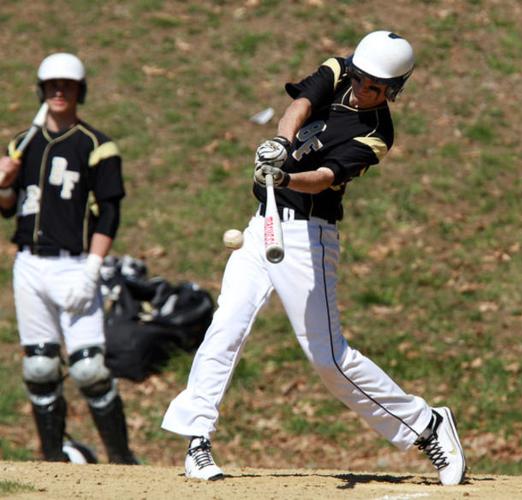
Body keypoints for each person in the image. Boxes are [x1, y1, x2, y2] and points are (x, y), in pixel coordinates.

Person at [161, 31, 466, 485]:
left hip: (307, 237)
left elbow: (324, 178)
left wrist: (285, 174)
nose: (364, 90)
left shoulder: (378, 134)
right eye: (363, 79)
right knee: (226, 326)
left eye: (377, 87)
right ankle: (196, 440)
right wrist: (281, 144)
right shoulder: (339, 70)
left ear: (393, 91)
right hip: (261, 224)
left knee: (330, 359)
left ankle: (426, 425)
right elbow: (298, 107)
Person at [0, 52, 137, 464]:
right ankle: (53, 464)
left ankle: (122, 460)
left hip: (76, 264)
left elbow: (109, 212)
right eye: (52, 86)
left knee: (89, 371)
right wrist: (4, 183)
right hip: (29, 264)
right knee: (39, 368)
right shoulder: (21, 144)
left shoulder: (97, 146)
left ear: (80, 91)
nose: (60, 92)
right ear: (42, 91)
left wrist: (93, 270)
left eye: (68, 86)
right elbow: (8, 209)